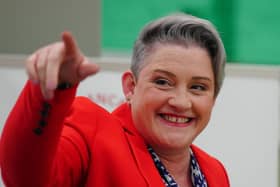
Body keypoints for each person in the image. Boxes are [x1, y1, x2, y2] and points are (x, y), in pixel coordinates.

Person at [0, 13, 230, 187]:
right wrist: (50, 90)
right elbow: (25, 178)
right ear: (131, 87)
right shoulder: (93, 132)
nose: (181, 102)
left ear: (213, 98)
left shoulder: (214, 172)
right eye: (162, 82)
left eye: (198, 87)